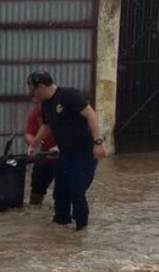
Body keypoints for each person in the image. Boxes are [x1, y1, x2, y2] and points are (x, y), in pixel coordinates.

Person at [25, 71, 107, 231]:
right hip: (65, 152)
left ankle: (81, 228)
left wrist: (98, 143)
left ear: (41, 87)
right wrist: (33, 144)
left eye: (32, 90)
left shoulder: (69, 95)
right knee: (61, 189)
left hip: (84, 150)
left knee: (76, 187)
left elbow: (91, 115)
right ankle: (61, 226)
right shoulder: (46, 105)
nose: (31, 95)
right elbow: (46, 126)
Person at [24, 98, 57, 206]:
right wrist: (33, 143)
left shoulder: (60, 112)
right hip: (44, 156)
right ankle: (34, 211)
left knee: (63, 190)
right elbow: (28, 133)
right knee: (37, 187)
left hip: (63, 156)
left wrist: (59, 147)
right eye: (35, 103)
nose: (37, 106)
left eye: (39, 103)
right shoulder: (35, 114)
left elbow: (71, 135)